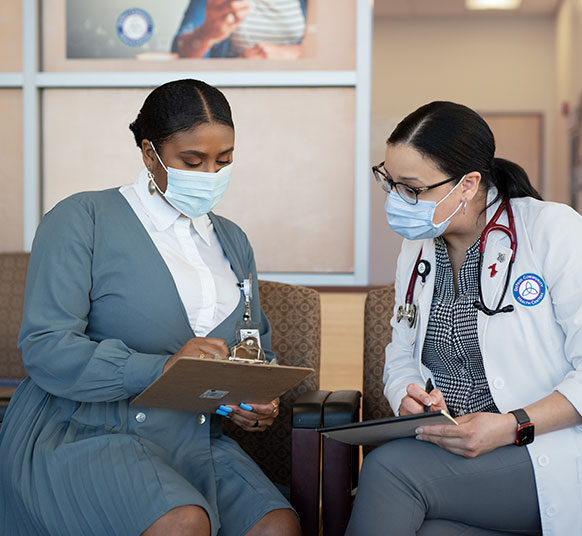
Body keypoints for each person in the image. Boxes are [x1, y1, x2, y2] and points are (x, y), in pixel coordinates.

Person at [0, 79, 301, 536]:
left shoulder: (233, 240)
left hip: (193, 433)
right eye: (192, 161)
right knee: (182, 522)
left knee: (276, 525)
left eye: (224, 160)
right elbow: (45, 347)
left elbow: (252, 344)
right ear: (148, 153)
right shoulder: (82, 219)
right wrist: (159, 369)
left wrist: (251, 399)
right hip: (83, 429)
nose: (210, 174)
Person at [346, 101, 582, 535]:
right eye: (390, 182)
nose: (398, 200)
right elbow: (400, 352)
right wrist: (409, 396)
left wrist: (511, 426)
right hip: (458, 449)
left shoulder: (552, 231)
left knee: (390, 472)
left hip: (541, 447)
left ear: (468, 184)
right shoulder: (417, 248)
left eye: (413, 189)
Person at [171, 0, 308, 59]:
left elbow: (328, 50)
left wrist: (292, 53)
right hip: (235, 92)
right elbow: (180, 53)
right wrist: (205, 34)